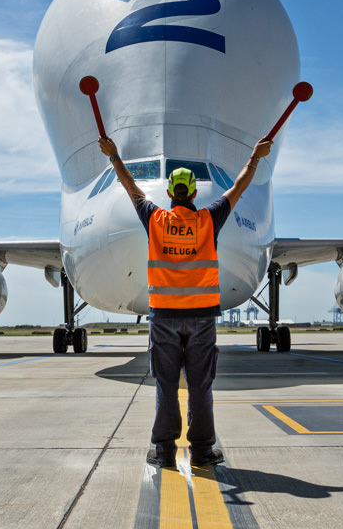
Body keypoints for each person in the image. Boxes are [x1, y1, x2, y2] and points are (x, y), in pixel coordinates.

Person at [98, 133, 273, 468]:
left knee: (165, 386)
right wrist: (255, 156)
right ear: (193, 192)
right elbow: (239, 187)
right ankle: (202, 452)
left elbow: (130, 187)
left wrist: (114, 156)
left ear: (169, 194)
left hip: (163, 318)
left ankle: (164, 453)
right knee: (200, 387)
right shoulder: (209, 219)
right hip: (202, 318)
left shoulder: (155, 220)